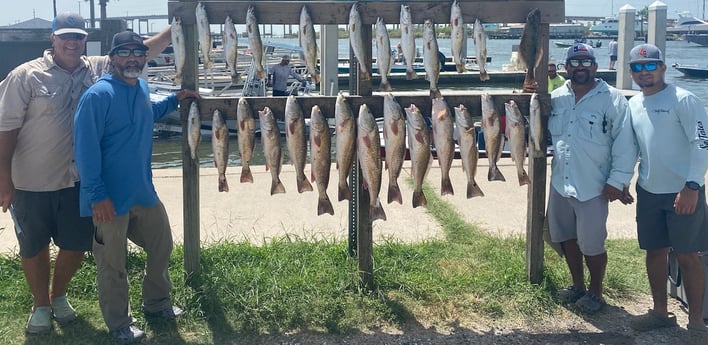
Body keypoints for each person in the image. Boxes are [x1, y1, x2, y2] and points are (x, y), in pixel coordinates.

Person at [0, 13, 172, 334]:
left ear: (84, 40)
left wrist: (178, 27)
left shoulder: (93, 67)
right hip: (33, 180)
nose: (72, 42)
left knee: (76, 244)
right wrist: (3, 180)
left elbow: (137, 51)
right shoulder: (25, 75)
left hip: (77, 181)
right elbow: (5, 128)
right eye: (65, 35)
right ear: (52, 38)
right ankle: (40, 305)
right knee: (34, 246)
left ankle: (58, 295)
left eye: (78, 36)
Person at [73, 31, 199, 344]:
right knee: (112, 264)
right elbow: (83, 150)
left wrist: (173, 100)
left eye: (138, 53)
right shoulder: (97, 96)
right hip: (108, 200)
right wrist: (97, 196)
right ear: (113, 57)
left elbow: (146, 115)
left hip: (143, 192)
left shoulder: (141, 86)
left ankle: (157, 304)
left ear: (144, 59)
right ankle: (119, 323)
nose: (133, 59)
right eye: (125, 53)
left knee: (162, 246)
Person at [626, 44, 708, 337]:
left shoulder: (684, 99)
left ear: (662, 67)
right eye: (637, 67)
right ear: (631, 71)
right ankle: (660, 312)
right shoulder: (634, 103)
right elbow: (632, 148)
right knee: (655, 252)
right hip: (649, 190)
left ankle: (697, 322)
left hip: (683, 190)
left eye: (650, 66)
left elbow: (701, 143)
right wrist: (621, 181)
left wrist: (692, 185)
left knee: (688, 255)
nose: (644, 72)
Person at [548, 43, 636, 314]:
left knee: (592, 243)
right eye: (574, 63)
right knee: (566, 238)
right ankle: (577, 286)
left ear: (595, 67)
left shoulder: (612, 98)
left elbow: (626, 142)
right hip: (560, 182)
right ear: (566, 68)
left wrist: (618, 180)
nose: (580, 68)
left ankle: (596, 292)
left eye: (586, 62)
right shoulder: (556, 96)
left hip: (594, 185)